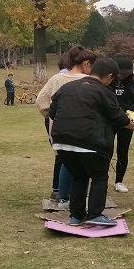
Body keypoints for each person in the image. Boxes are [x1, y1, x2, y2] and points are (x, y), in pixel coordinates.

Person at [50, 58, 134, 226]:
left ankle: (76, 216)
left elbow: (52, 112)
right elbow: (118, 117)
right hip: (89, 141)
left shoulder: (67, 87)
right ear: (109, 76)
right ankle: (94, 214)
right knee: (99, 176)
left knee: (79, 176)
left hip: (61, 141)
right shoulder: (104, 91)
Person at [36, 46, 97, 207]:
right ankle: (80, 198)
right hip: (84, 128)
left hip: (59, 127)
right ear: (86, 63)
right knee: (84, 163)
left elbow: (41, 100)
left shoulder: (56, 79)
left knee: (65, 161)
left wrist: (51, 114)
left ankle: (63, 198)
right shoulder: (89, 81)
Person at [109, 58, 134, 193]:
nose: (123, 75)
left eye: (126, 73)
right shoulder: (107, 83)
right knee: (107, 150)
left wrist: (130, 111)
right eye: (121, 73)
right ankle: (102, 179)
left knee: (123, 152)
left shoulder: (133, 85)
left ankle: (119, 181)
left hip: (127, 123)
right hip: (109, 122)